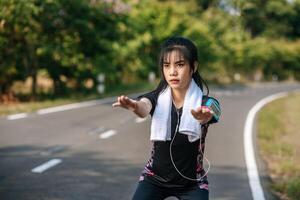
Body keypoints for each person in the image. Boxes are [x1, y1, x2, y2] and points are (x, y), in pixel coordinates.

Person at [112, 36, 220, 200]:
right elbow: (144, 107)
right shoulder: (156, 97)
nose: (172, 72)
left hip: (193, 183)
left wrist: (204, 116)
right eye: (166, 65)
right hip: (154, 178)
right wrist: (135, 106)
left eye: (180, 65)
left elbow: (214, 110)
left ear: (194, 67)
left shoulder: (203, 102)